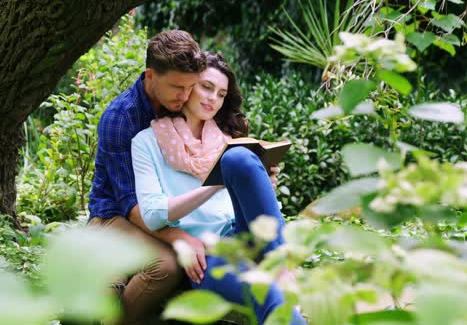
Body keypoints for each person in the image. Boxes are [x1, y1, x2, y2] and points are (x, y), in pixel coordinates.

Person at [131, 52, 306, 325]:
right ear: (189, 87)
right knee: (266, 291)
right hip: (209, 253)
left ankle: (282, 268)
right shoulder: (147, 142)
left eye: (221, 94)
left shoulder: (228, 141)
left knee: (238, 158)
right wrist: (214, 183)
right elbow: (153, 215)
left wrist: (262, 182)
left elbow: (265, 212)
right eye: (207, 87)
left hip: (246, 235)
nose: (213, 98)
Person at [87, 30, 207, 324]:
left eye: (190, 87)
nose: (185, 96)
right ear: (150, 75)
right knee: (165, 265)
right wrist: (178, 236)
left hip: (160, 212)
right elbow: (130, 205)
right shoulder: (120, 117)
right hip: (114, 216)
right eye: (177, 87)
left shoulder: (182, 106)